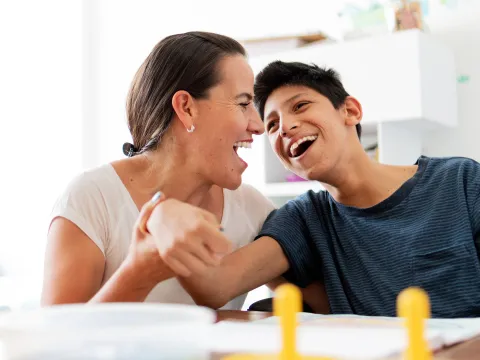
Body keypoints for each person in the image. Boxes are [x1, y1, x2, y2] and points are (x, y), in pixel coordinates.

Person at [159, 61, 480, 318]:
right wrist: (161, 219)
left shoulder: (460, 181)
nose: (285, 127)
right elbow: (215, 287)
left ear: (350, 111)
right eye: (271, 125)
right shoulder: (304, 218)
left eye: (300, 106)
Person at [41, 31, 276, 309]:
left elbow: (314, 302)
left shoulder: (252, 209)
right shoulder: (92, 199)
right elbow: (55, 342)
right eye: (243, 104)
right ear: (186, 108)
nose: (258, 125)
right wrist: (140, 272)